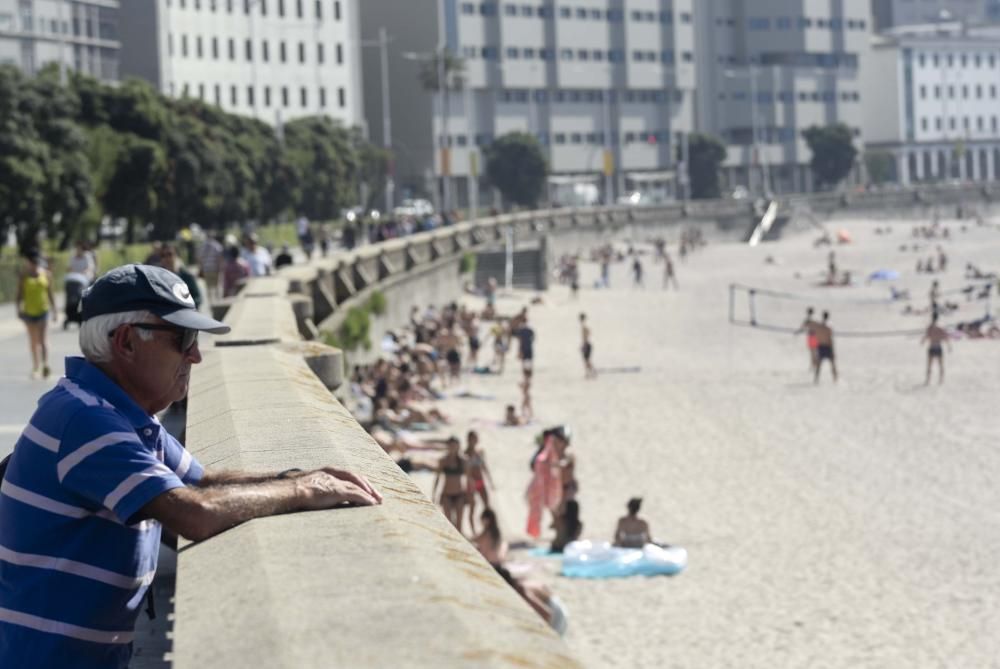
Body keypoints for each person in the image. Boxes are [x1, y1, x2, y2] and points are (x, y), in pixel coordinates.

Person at [0, 264, 381, 669]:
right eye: (182, 339)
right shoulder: (87, 420)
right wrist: (303, 493)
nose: (196, 356)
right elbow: (193, 513)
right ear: (127, 342)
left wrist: (293, 477)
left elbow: (203, 482)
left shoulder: (115, 412)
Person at [15, 253, 58, 379]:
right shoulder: (23, 276)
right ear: (28, 263)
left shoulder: (46, 274)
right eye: (31, 263)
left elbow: (50, 292)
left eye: (36, 263)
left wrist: (54, 310)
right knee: (33, 341)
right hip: (29, 311)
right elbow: (19, 293)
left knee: (43, 340)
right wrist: (18, 308)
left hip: (43, 310)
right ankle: (35, 366)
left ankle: (45, 364)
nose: (34, 266)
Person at [432, 436, 467, 533]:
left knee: (459, 525)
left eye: (455, 446)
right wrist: (434, 494)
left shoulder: (463, 461)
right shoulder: (443, 461)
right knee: (448, 524)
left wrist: (469, 495)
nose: (453, 448)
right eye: (451, 446)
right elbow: (437, 478)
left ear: (458, 447)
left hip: (459, 494)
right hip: (446, 494)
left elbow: (468, 480)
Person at [464, 431, 495, 534]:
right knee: (472, 508)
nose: (473, 441)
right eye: (472, 438)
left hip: (480, 481)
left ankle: (487, 529)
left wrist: (490, 481)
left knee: (487, 506)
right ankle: (473, 532)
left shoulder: (480, 452)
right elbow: (466, 472)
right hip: (471, 483)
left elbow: (484, 467)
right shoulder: (465, 454)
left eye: (475, 438)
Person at [157, 244, 203, 310]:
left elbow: (198, 298)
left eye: (169, 254)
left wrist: (184, 305)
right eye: (163, 255)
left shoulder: (187, 276)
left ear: (176, 256)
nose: (166, 258)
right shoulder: (158, 279)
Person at [920, 313, 952, 385]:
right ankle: (940, 380)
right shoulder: (939, 328)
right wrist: (949, 346)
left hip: (932, 348)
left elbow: (926, 336)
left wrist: (922, 341)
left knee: (930, 365)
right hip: (938, 347)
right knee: (940, 365)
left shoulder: (930, 328)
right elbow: (946, 338)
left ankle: (928, 380)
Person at [813, 311, 838, 384]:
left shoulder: (818, 327)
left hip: (820, 346)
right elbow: (830, 340)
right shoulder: (828, 327)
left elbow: (817, 338)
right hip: (827, 347)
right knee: (832, 364)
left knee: (819, 364)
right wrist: (833, 350)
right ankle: (835, 379)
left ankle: (816, 379)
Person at [198, 234, 225, 300]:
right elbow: (220, 257)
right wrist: (221, 267)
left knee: (208, 287)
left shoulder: (202, 246)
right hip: (215, 268)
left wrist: (201, 268)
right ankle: (217, 300)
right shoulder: (217, 245)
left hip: (206, 269)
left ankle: (211, 301)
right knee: (216, 286)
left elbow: (199, 258)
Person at [795, 307, 820, 373]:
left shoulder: (808, 320)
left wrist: (797, 332)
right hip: (815, 336)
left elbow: (802, 328)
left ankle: (813, 366)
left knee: (813, 353)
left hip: (811, 337)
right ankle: (814, 366)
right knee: (815, 352)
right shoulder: (815, 319)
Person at [579, 313, 596, 379]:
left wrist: (584, 344)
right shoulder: (584, 325)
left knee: (587, 360)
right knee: (586, 360)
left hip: (587, 344)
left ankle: (590, 372)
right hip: (586, 344)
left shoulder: (584, 326)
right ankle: (589, 372)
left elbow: (586, 334)